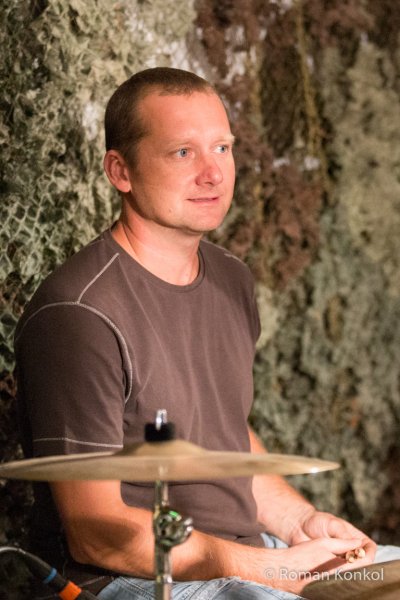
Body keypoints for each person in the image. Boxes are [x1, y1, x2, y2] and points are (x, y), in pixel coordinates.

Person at [14, 67, 400, 600]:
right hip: (138, 580)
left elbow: (223, 434)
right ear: (120, 171)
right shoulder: (79, 314)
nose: (214, 173)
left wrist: (300, 524)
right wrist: (273, 569)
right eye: (183, 153)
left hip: (250, 556)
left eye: (222, 148)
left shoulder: (230, 279)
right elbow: (97, 533)